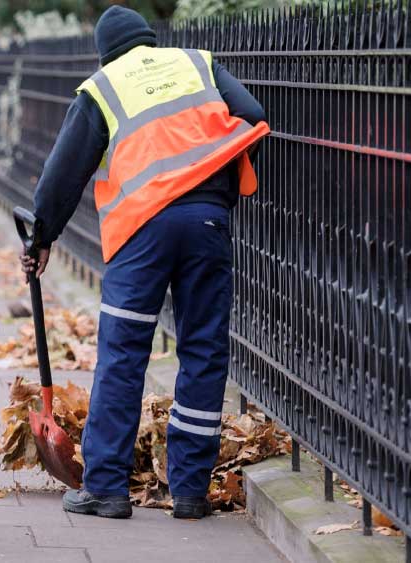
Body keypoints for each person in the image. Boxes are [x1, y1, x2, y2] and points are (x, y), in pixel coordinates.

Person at [20, 6, 269, 520]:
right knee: (202, 349)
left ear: (106, 52)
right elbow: (252, 115)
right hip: (207, 224)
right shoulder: (197, 64)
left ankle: (107, 488)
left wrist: (42, 236)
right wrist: (215, 186)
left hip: (143, 234)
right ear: (149, 40)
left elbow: (66, 170)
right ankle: (191, 492)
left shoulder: (104, 87)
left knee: (124, 352)